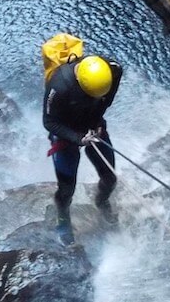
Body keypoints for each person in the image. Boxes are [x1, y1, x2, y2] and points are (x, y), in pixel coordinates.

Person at [43, 54, 123, 245]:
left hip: (94, 126)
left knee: (110, 178)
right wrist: (77, 138)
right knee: (67, 188)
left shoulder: (113, 71)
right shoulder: (59, 85)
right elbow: (49, 121)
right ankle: (63, 219)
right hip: (66, 134)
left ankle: (101, 202)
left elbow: (106, 100)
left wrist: (96, 124)